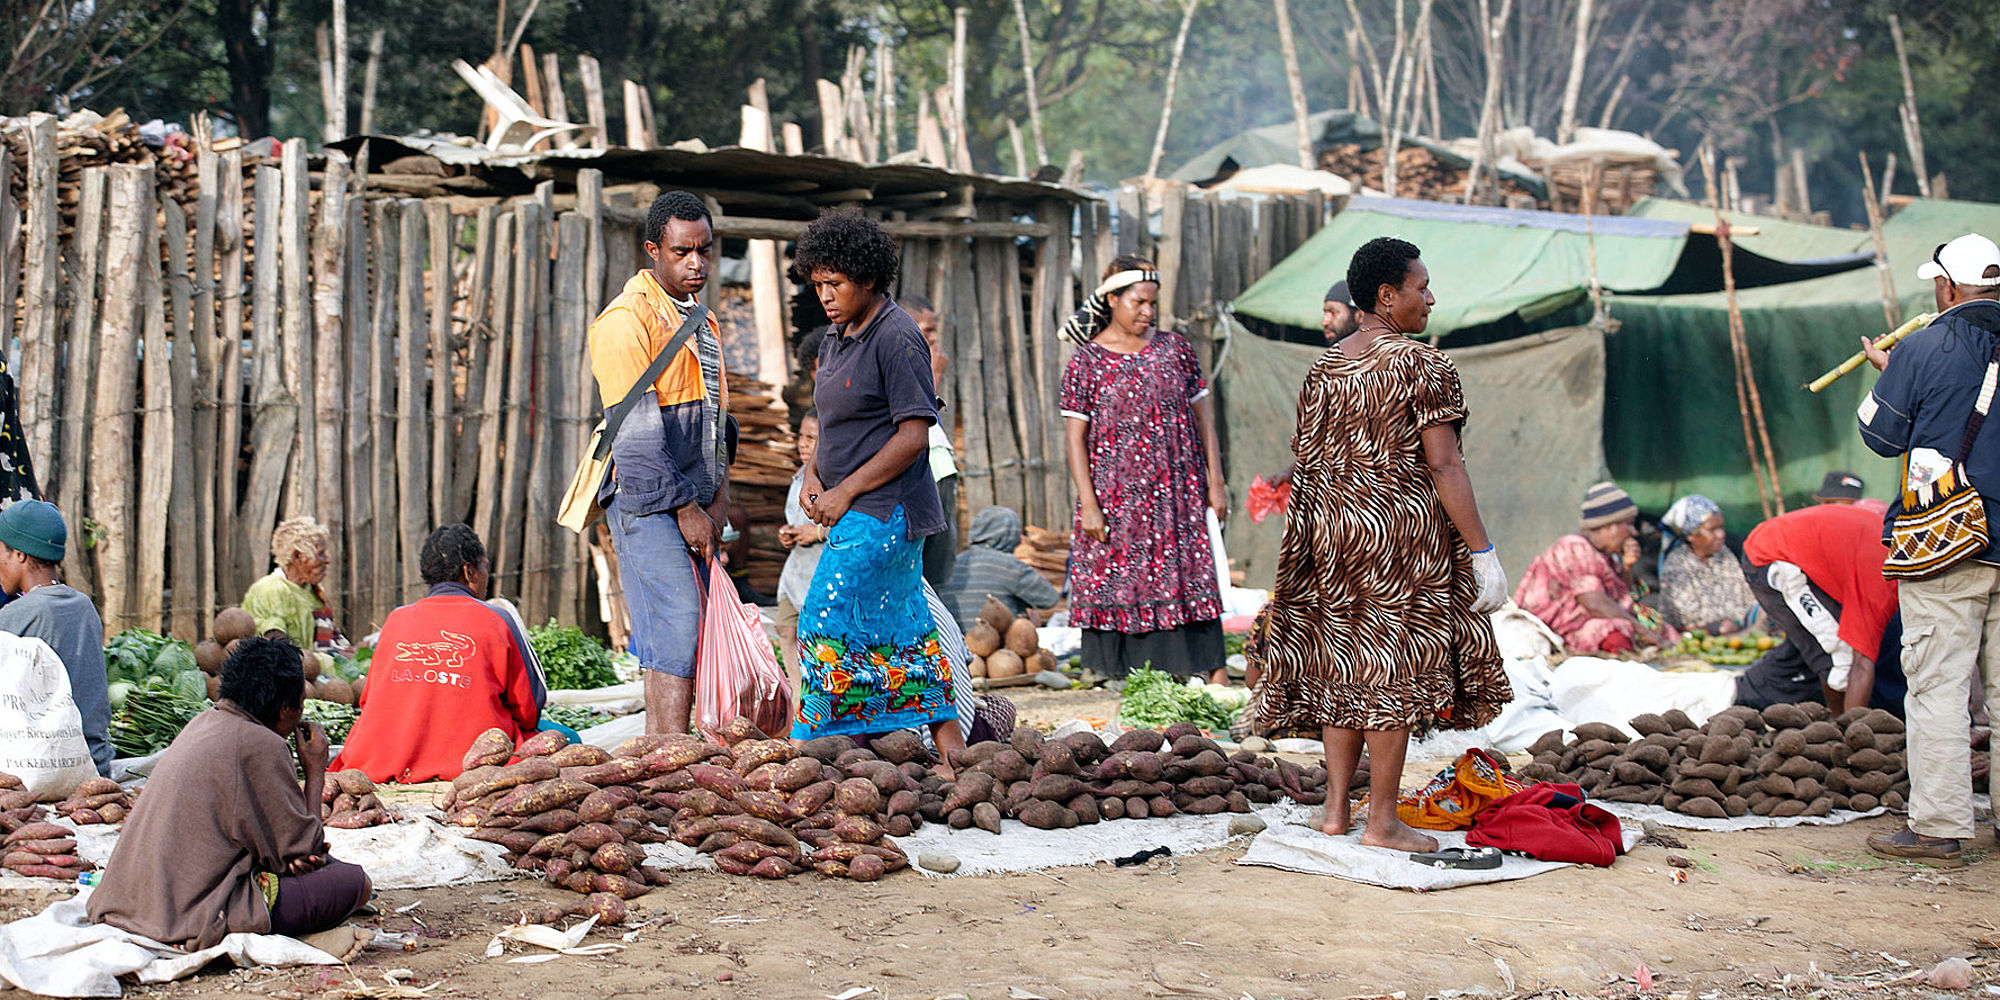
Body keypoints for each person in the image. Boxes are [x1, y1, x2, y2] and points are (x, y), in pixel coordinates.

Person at [1254, 237, 1512, 850]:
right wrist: (1483, 552)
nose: (1430, 298)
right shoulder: (1425, 366)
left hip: (1330, 538)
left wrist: (1308, 545)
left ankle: (1337, 812)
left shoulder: (1325, 367)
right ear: (1386, 295)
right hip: (1399, 540)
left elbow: (1309, 462)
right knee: (1390, 677)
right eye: (1421, 288)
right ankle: (1383, 824)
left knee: (1342, 671)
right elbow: (1445, 467)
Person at [787, 211, 962, 771]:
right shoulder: (838, 338)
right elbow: (830, 419)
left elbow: (914, 434)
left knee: (822, 621)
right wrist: (815, 475)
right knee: (905, 624)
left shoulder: (898, 336)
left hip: (888, 509)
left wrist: (844, 494)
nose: (825, 296)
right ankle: (953, 748)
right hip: (852, 504)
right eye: (817, 285)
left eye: (834, 284)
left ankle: (809, 749)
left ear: (867, 277)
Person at [1855, 232, 2000, 866]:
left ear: (1945, 287)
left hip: (1950, 542)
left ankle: (1940, 825)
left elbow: (1880, 436)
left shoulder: (1925, 345)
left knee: (1938, 684)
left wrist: (1898, 377)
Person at [88, 637, 372, 948]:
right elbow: (310, 851)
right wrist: (316, 771)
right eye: (300, 706)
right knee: (354, 882)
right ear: (284, 709)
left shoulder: (204, 721)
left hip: (129, 899)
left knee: (324, 872)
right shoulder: (262, 745)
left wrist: (291, 856)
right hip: (186, 914)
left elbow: (287, 848)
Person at [587, 191, 736, 736]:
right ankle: (671, 759)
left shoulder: (704, 320)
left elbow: (721, 421)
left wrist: (718, 499)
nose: (696, 263)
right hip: (648, 504)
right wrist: (686, 510)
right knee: (678, 626)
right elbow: (637, 434)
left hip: (697, 502)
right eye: (681, 252)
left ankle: (664, 752)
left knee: (673, 629)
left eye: (704, 250)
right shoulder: (624, 322)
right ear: (653, 249)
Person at [1058, 254, 1227, 679]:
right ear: (1112, 299)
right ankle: (1120, 673)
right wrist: (1089, 503)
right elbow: (1075, 440)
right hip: (1117, 496)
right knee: (1120, 576)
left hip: (1177, 492)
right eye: (1138, 302)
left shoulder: (1175, 350)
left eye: (1153, 303)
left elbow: (1205, 419)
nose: (1148, 312)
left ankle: (1206, 667)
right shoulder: (1087, 363)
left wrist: (1216, 481)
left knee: (1186, 571)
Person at [331, 525, 557, 784]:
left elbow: (368, 702)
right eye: (484, 568)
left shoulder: (396, 619)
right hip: (470, 763)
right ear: (469, 571)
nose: (486, 577)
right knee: (567, 738)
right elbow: (528, 711)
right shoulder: (498, 619)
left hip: (382, 759)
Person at [1733, 503, 1905, 715]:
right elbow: (1862, 664)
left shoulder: (1895, 546)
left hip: (1791, 548)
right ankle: (1846, 734)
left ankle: (1837, 726)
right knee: (1840, 658)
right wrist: (1858, 734)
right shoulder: (1883, 584)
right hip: (1771, 556)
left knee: (1833, 653)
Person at [0, 500, 110, 776]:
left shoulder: (17, 615)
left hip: (40, 770)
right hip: (95, 763)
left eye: (1, 550)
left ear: (20, 555)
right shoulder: (85, 606)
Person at [1515, 482, 1674, 653]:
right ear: (1608, 526)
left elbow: (1620, 601)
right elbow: (1594, 603)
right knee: (1616, 631)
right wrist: (1640, 629)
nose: (1633, 532)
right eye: (1628, 524)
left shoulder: (1604, 555)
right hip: (1559, 630)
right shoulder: (1575, 547)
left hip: (1582, 623)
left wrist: (1627, 568)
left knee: (1662, 628)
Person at [1269, 280, 1361, 488]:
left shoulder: (1382, 367)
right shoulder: (1332, 369)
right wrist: (1290, 473)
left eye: (1333, 312)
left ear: (1359, 316)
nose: (1325, 321)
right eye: (1324, 312)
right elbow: (1324, 439)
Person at [902, 294, 961, 591]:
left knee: (939, 563)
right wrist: (935, 375)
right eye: (927, 331)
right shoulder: (898, 359)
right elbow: (920, 415)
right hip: (921, 471)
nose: (935, 339)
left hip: (939, 467)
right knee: (923, 566)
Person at [243, 516, 351, 664]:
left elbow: (326, 644)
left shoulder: (312, 592)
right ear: (297, 556)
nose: (327, 560)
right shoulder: (271, 589)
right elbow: (277, 647)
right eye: (320, 554)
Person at [940, 505, 1060, 632]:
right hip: (998, 647)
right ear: (1011, 535)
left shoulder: (950, 564)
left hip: (953, 645)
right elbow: (1050, 599)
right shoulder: (1010, 566)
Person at [775, 410, 826, 695]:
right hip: (796, 573)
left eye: (812, 438)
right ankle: (799, 698)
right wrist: (790, 533)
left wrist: (816, 533)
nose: (803, 444)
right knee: (785, 629)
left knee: (821, 641)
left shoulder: (833, 480)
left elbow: (855, 527)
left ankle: (821, 700)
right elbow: (799, 520)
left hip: (821, 574)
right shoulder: (799, 478)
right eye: (801, 436)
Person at [1656, 494, 1757, 635]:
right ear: (1691, 535)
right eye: (1712, 530)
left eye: (1721, 527)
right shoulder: (1677, 564)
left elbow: (1747, 596)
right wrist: (1732, 621)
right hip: (1697, 633)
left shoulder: (1723, 554)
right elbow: (1690, 616)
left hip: (1734, 627)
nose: (1721, 534)